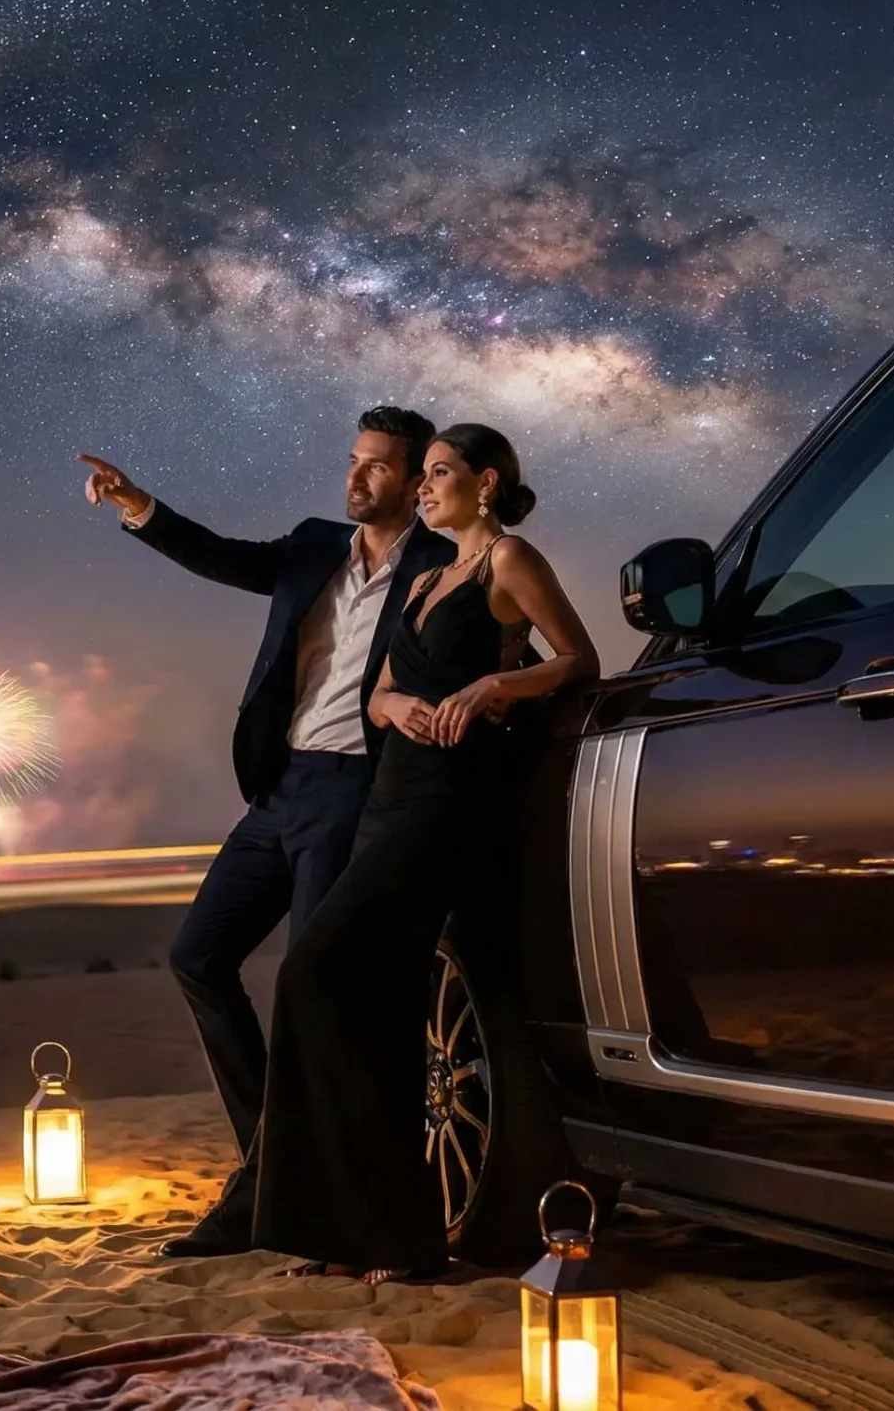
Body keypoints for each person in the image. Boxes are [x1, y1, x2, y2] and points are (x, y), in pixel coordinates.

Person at [78, 407, 456, 1257]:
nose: (356, 478)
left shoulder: (439, 565)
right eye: (353, 461)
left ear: (415, 480)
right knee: (197, 956)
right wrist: (139, 506)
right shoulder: (314, 541)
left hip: (358, 791)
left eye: (379, 468)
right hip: (279, 787)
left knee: (310, 995)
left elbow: (496, 641)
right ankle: (269, 1162)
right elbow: (224, 558)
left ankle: (277, 1198)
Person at [250, 422, 598, 1283]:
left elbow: (579, 660)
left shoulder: (505, 562)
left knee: (312, 974)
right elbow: (375, 696)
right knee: (374, 1009)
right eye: (425, 474)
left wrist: (492, 685)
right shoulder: (427, 578)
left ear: (485, 482)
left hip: (446, 803)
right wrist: (397, 707)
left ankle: (377, 1230)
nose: (425, 488)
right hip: (389, 794)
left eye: (439, 473)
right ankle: (368, 1236)